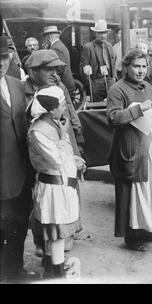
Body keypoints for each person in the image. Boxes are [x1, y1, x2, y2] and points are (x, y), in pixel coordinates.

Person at [107, 49, 152, 252]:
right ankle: (132, 236)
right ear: (126, 67)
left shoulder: (147, 86)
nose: (140, 71)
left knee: (148, 191)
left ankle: (146, 229)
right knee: (131, 194)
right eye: (136, 66)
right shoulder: (117, 89)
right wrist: (138, 109)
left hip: (148, 146)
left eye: (144, 66)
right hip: (129, 148)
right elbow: (112, 118)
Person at [24, 49, 85, 254]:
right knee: (42, 201)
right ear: (33, 72)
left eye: (56, 69)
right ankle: (44, 244)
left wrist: (78, 140)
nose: (54, 74)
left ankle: (66, 237)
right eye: (48, 69)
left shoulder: (59, 88)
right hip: (37, 152)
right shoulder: (23, 90)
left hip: (63, 145)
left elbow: (70, 114)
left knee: (67, 191)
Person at [27, 85, 83, 279]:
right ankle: (57, 274)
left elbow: (63, 155)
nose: (65, 107)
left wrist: (73, 159)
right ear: (51, 109)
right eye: (62, 104)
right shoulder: (38, 131)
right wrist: (61, 137)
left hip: (61, 186)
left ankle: (53, 269)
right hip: (52, 188)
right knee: (56, 234)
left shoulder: (55, 123)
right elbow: (56, 159)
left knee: (56, 234)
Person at [0, 35, 37, 282]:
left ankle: (15, 271)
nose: (0, 63)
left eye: (3, 57)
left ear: (10, 56)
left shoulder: (15, 83)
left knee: (19, 223)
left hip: (22, 171)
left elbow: (23, 123)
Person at [80, 19, 116, 102]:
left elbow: (112, 63)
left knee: (112, 105)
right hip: (96, 83)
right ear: (95, 33)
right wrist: (90, 85)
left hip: (110, 81)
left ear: (107, 33)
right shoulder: (88, 47)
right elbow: (83, 67)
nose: (102, 36)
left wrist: (113, 78)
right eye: (99, 33)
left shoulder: (109, 46)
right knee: (97, 107)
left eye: (104, 33)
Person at [42, 25, 76, 100]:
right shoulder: (59, 45)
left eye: (45, 37)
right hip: (66, 82)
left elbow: (60, 67)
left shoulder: (55, 47)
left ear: (50, 37)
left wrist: (51, 76)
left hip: (63, 84)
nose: (45, 39)